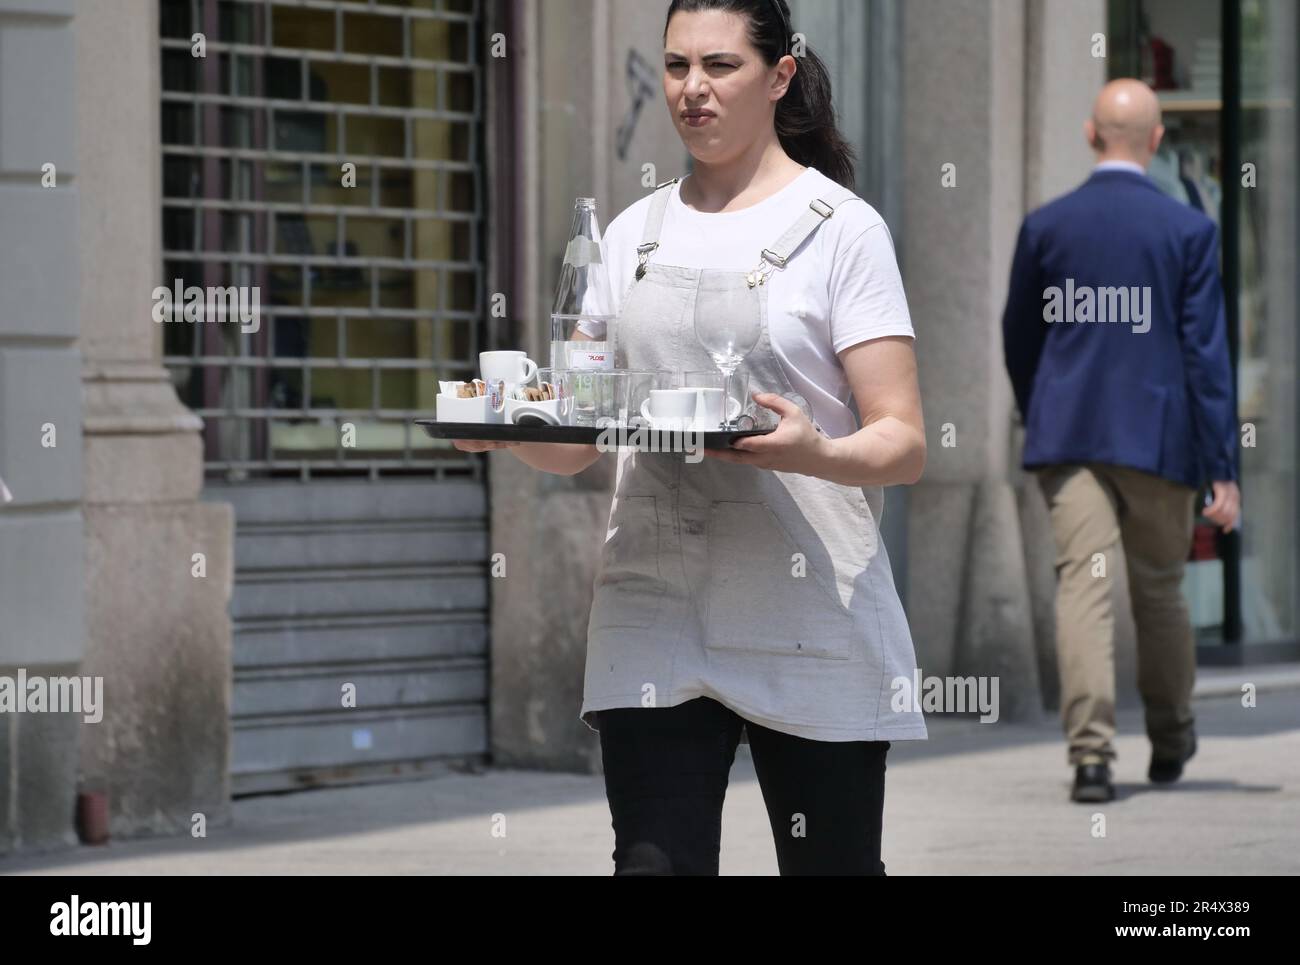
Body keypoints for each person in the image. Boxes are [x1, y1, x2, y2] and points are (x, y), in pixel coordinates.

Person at [456, 0, 927, 875]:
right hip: (656, 597)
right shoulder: (631, 234)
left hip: (806, 597)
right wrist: (513, 429)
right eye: (676, 67)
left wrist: (813, 451)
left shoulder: (844, 229)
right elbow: (582, 436)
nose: (693, 90)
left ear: (780, 75)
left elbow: (902, 439)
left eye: (720, 66)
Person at [1001, 79, 1240, 804]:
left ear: (1090, 134)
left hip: (1070, 436)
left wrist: (1044, 405)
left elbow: (1020, 337)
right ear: (1159, 140)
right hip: (1160, 439)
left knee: (1084, 584)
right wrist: (1221, 466)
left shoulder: (1047, 226)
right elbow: (1206, 356)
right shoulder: (1188, 232)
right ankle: (1170, 736)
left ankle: (1092, 758)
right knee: (1161, 590)